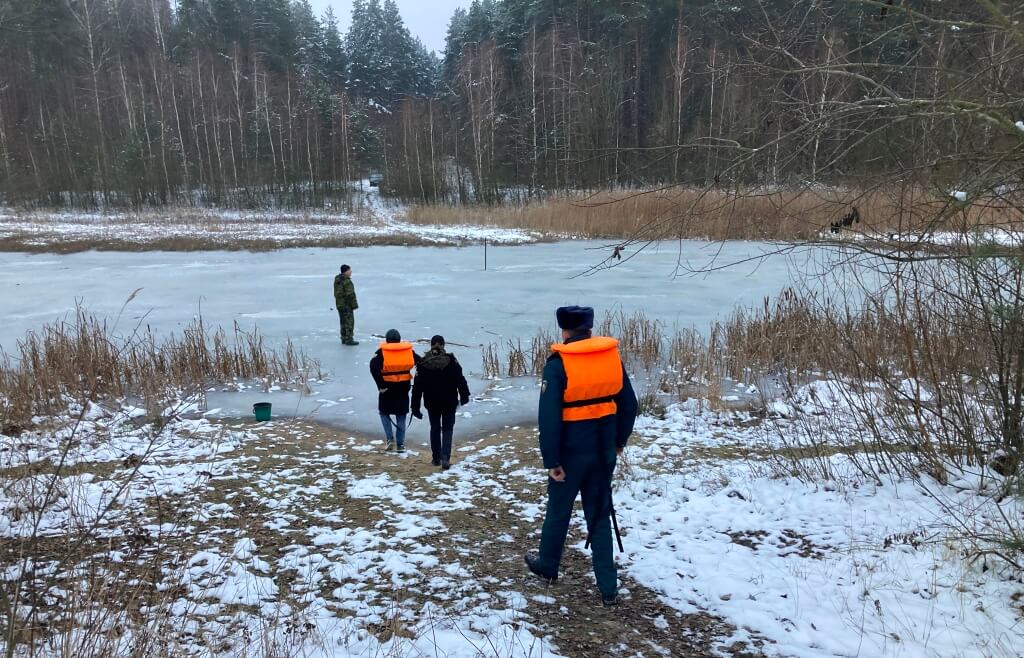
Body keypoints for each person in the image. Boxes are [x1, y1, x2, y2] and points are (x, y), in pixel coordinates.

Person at [524, 305, 638, 607]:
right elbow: (630, 404)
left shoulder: (558, 364)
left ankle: (548, 564)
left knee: (559, 510)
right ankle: (608, 588)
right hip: (603, 453)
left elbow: (548, 417)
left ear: (564, 330)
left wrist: (551, 461)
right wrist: (619, 442)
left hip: (570, 455)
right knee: (600, 515)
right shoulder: (611, 359)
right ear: (589, 328)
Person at [411, 335, 470, 470]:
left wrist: (415, 407)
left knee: (435, 429)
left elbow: (417, 388)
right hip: (449, 402)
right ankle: (445, 458)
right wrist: (465, 395)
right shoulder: (451, 361)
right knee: (448, 429)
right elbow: (460, 380)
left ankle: (436, 458)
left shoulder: (424, 363)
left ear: (431, 345)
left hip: (432, 403)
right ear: (443, 345)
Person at [369, 329, 417, 452]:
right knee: (401, 415)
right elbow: (421, 363)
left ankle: (390, 440)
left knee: (384, 413)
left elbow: (373, 367)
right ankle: (400, 445)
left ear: (387, 340)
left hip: (387, 389)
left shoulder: (381, 353)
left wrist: (381, 385)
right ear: (399, 339)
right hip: (403, 388)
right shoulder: (409, 352)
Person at [333, 264, 358, 346]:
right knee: (349, 322)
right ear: (346, 272)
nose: (351, 272)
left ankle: (343, 338)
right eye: (350, 270)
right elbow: (350, 294)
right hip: (346, 305)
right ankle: (349, 339)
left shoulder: (337, 280)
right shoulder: (346, 281)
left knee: (343, 321)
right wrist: (354, 305)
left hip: (339, 304)